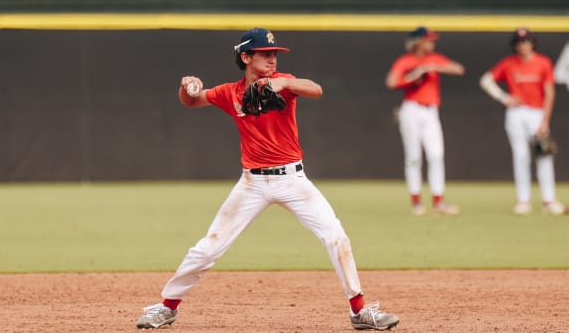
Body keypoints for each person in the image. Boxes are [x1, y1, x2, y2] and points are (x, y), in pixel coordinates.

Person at [136, 28, 399, 331]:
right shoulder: (229, 93)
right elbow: (192, 101)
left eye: (274, 54)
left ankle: (360, 311)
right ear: (246, 57)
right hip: (253, 184)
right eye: (265, 54)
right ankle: (167, 307)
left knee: (336, 236)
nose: (272, 59)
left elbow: (316, 89)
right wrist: (188, 87)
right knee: (208, 248)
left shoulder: (283, 83)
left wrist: (284, 82)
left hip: (294, 180)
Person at [479, 28, 564, 215]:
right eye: (519, 42)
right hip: (516, 112)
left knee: (544, 154)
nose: (523, 45)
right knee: (521, 155)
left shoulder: (543, 63)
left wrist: (545, 120)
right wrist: (503, 97)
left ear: (532, 43)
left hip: (537, 113)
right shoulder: (509, 64)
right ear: (515, 45)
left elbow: (550, 93)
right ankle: (523, 201)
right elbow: (486, 80)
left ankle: (548, 200)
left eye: (526, 41)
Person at [385, 26, 465, 216]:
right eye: (428, 40)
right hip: (412, 109)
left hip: (431, 111)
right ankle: (417, 202)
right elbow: (391, 82)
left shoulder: (434, 58)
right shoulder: (406, 60)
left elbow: (459, 69)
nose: (431, 43)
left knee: (436, 154)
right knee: (413, 157)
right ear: (417, 42)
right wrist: (412, 77)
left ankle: (439, 202)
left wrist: (432, 67)